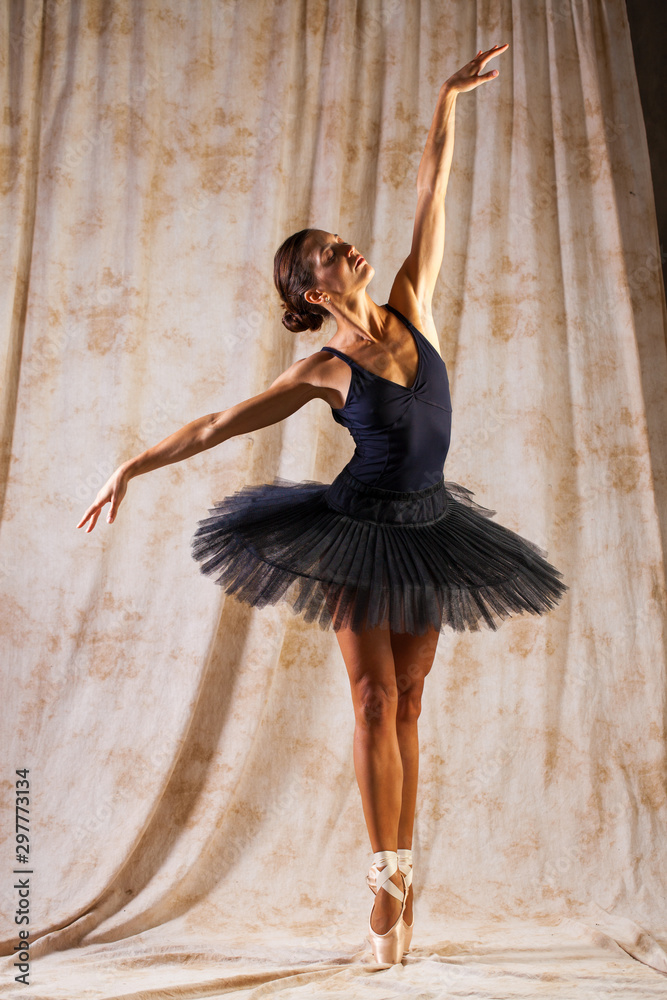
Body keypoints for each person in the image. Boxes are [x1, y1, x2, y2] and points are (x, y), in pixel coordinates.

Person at [78, 42, 567, 967]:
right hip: (353, 535)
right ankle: (381, 880)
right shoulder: (322, 369)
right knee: (374, 697)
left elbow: (433, 192)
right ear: (314, 289)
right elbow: (216, 424)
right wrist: (128, 467)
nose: (348, 246)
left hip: (430, 532)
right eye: (328, 253)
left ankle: (405, 871)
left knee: (413, 701)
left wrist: (445, 101)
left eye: (341, 241)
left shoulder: (413, 302)